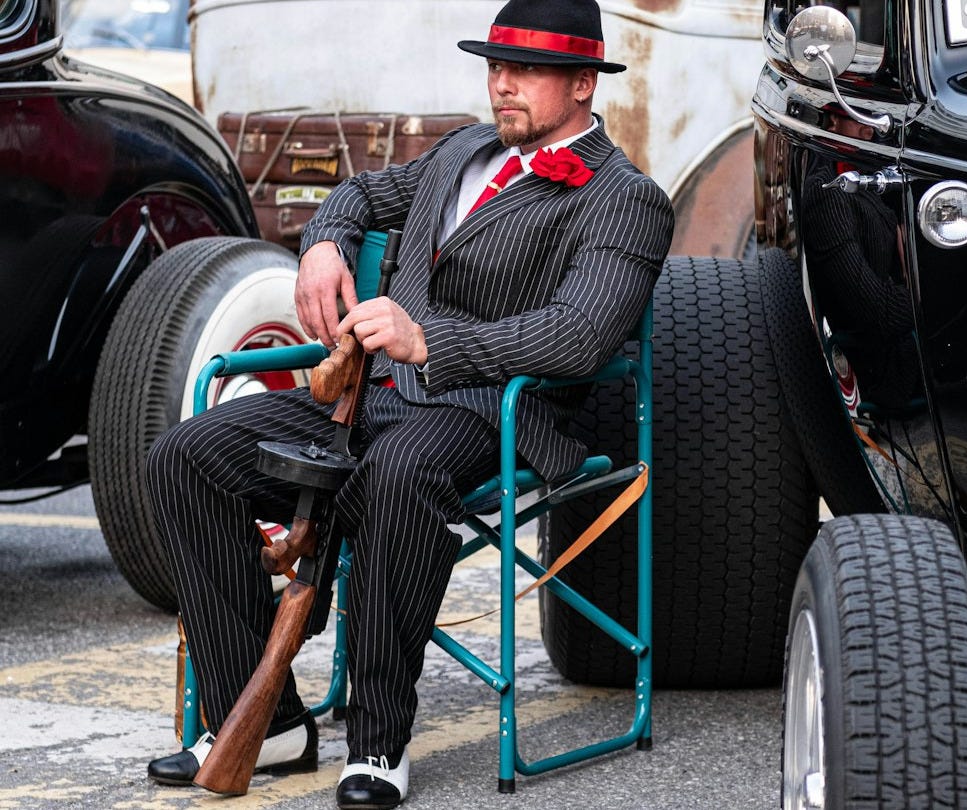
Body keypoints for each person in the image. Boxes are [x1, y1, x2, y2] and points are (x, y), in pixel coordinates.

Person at [143, 0, 674, 807]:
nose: (502, 85)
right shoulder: (464, 147)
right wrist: (324, 243)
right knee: (186, 458)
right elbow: (361, 194)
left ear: (579, 84)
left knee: (394, 476)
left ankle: (378, 742)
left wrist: (431, 340)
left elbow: (579, 337)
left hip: (492, 409)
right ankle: (265, 718)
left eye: (523, 70)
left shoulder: (624, 197)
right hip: (372, 395)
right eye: (495, 67)